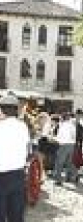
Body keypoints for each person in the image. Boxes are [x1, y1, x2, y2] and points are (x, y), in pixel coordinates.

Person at [0, 94, 30, 222]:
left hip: (1, 176)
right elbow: (27, 149)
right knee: (16, 215)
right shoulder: (23, 127)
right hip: (18, 175)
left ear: (1, 110)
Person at [53, 112, 78, 185]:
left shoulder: (62, 125)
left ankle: (58, 180)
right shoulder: (72, 125)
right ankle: (74, 175)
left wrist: (53, 138)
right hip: (72, 145)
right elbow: (74, 136)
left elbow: (59, 137)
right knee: (69, 162)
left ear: (63, 118)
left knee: (59, 163)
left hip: (64, 145)